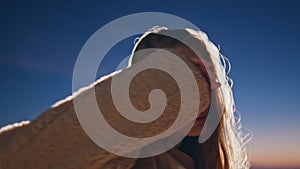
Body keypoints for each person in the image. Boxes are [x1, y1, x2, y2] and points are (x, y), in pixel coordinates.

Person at [127, 27, 251, 169]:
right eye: (177, 84)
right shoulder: (127, 160)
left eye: (202, 78)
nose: (199, 100)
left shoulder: (198, 159)